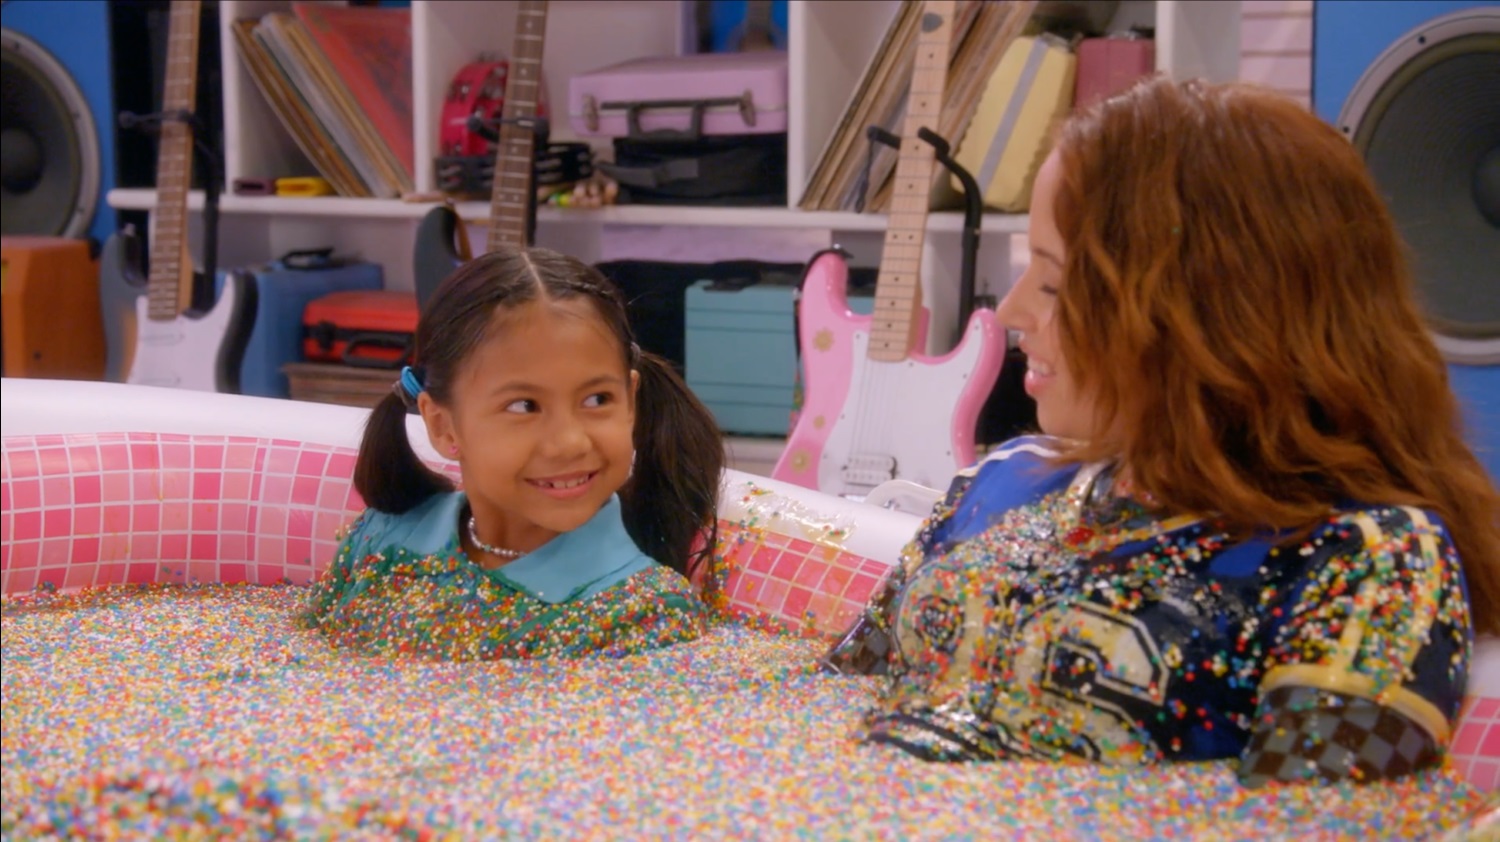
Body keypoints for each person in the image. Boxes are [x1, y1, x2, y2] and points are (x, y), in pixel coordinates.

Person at [822, 76, 1500, 788]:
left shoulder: (1365, 561)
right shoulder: (998, 480)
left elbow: (1313, 825)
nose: (1012, 313)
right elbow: (825, 705)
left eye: (1051, 283)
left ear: (1208, 316)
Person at [303, 247, 726, 660]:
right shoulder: (382, 539)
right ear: (443, 425)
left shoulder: (641, 613)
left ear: (630, 401)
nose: (570, 443)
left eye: (597, 399)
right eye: (524, 406)